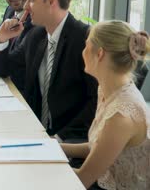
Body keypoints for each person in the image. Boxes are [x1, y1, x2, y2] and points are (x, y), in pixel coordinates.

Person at [0, 0, 98, 141]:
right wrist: (2, 39)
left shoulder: (85, 40)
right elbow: (3, 69)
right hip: (34, 131)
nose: (26, 7)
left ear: (51, 1)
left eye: (31, 0)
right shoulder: (36, 36)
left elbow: (96, 102)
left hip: (70, 140)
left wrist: (59, 139)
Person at [61, 21, 150, 189]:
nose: (82, 52)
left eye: (86, 46)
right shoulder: (108, 89)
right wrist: (55, 148)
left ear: (100, 53)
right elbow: (97, 146)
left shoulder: (121, 116)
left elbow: (81, 181)